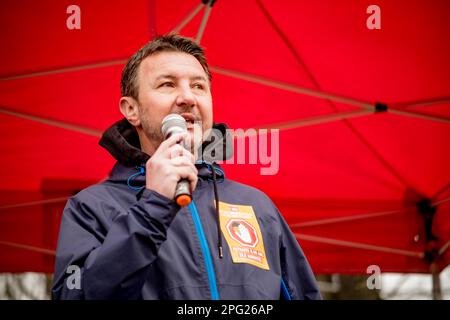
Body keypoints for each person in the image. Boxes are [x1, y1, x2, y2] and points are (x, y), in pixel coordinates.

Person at [51, 34, 321, 300]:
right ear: (131, 109)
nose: (188, 97)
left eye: (199, 86)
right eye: (167, 84)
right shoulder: (90, 208)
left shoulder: (257, 205)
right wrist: (152, 207)